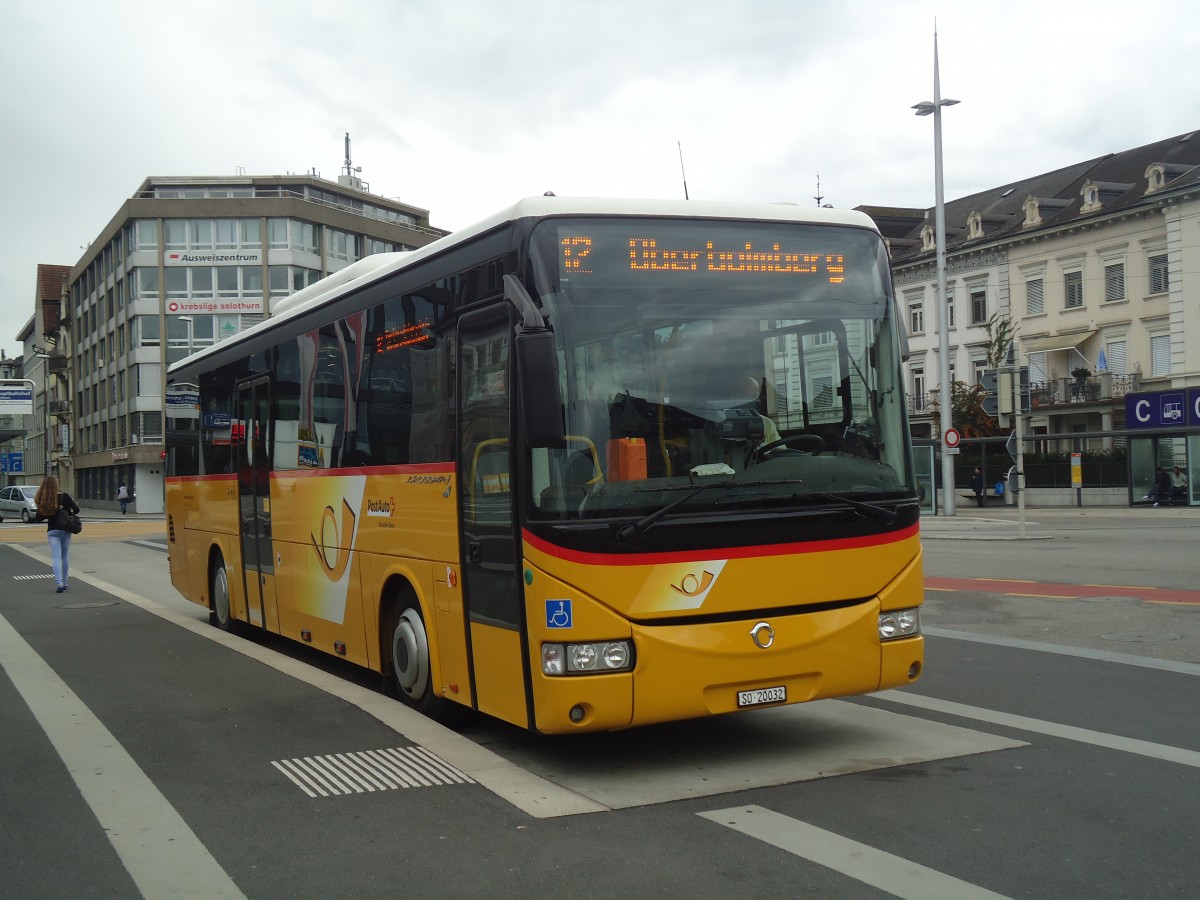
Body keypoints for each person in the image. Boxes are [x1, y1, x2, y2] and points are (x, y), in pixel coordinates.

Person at [33, 475, 79, 593]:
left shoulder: (44, 499)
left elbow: (38, 518)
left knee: (56, 558)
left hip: (52, 531)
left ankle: (59, 584)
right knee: (64, 556)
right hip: (65, 530)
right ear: (56, 485)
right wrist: (66, 511)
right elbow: (76, 510)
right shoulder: (64, 497)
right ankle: (65, 583)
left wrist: (49, 512)